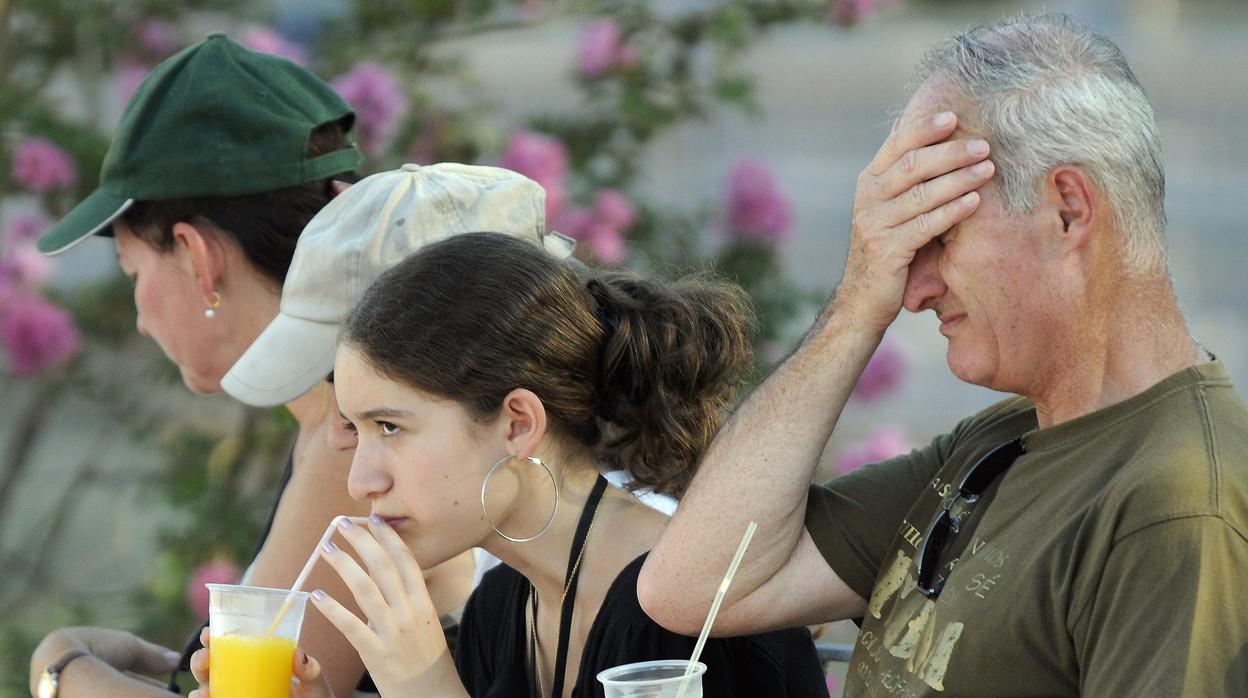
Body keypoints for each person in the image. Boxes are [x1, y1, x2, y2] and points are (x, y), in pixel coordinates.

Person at [638, 13, 1248, 697]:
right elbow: (692, 588)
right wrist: (855, 305)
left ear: (1068, 211)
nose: (913, 289)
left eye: (938, 234)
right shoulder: (1004, 441)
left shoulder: (1178, 504)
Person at [190, 232, 831, 697]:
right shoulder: (505, 607)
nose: (362, 481)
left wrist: (424, 686)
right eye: (357, 433)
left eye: (391, 427)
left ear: (517, 424)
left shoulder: (688, 606)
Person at [27, 35, 475, 698]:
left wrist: (61, 667)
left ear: (199, 258)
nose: (142, 318)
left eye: (133, 273)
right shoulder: (353, 424)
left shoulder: (352, 450)